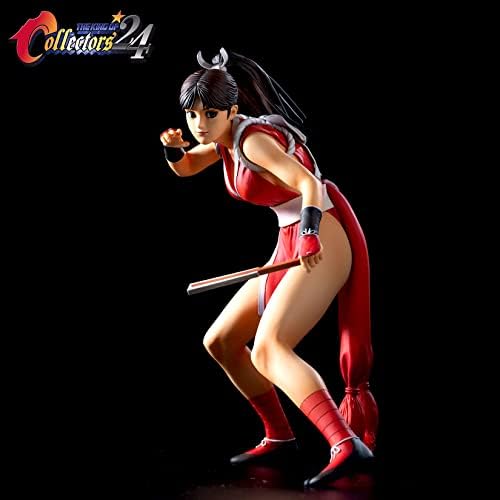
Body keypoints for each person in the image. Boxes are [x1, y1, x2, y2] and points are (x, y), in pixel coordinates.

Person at [160, 48, 377, 488]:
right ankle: (280, 437)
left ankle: (346, 443)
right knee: (221, 341)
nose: (200, 124)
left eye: (210, 114)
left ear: (232, 111)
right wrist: (173, 150)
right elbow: (188, 167)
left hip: (321, 233)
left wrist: (311, 234)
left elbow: (308, 184)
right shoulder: (222, 139)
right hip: (288, 240)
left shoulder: (251, 141)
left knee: (269, 347)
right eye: (192, 115)